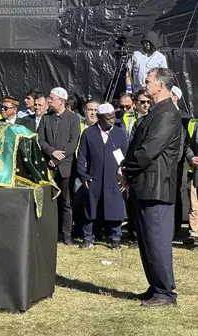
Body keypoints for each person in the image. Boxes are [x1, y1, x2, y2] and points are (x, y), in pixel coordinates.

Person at [120, 67, 182, 307]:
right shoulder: (156, 111)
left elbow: (149, 150)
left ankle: (166, 294)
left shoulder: (167, 113)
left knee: (157, 240)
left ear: (161, 85)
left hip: (156, 187)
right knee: (147, 240)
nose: (144, 84)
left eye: (148, 80)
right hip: (145, 185)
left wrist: (126, 169)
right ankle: (157, 287)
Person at [77, 103, 128, 249]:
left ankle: (115, 238)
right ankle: (88, 237)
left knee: (115, 207)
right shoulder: (88, 133)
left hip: (113, 178)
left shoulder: (119, 134)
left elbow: (124, 158)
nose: (112, 120)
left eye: (113, 117)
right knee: (91, 208)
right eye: (108, 117)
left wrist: (123, 176)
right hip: (94, 177)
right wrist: (84, 176)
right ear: (99, 118)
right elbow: (81, 157)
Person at [37, 87, 81, 245]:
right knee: (49, 201)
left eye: (51, 98)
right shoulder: (45, 118)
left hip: (65, 167)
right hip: (48, 166)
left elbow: (72, 143)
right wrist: (51, 152)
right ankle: (50, 233)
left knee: (66, 202)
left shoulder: (73, 119)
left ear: (61, 101)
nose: (49, 100)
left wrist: (56, 159)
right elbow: (40, 140)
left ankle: (67, 235)